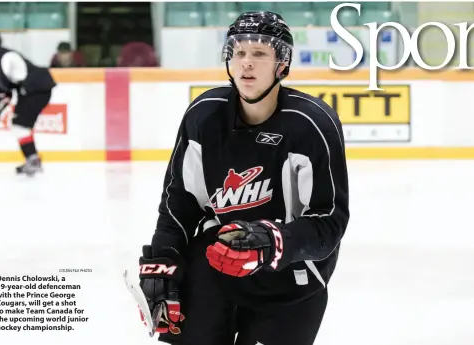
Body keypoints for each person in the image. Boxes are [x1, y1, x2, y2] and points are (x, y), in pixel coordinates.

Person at [137, 11, 350, 345]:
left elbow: (329, 223)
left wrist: (272, 240)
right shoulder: (204, 116)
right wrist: (165, 263)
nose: (247, 63)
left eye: (260, 54)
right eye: (239, 53)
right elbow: (179, 206)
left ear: (282, 64)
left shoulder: (310, 125)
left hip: (290, 282)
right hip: (215, 268)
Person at [0, 29, 56, 176]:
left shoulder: (3, 58)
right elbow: (5, 93)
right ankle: (32, 160)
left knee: (20, 126)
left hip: (36, 90)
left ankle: (33, 161)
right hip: (31, 90)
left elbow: (4, 93)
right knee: (20, 125)